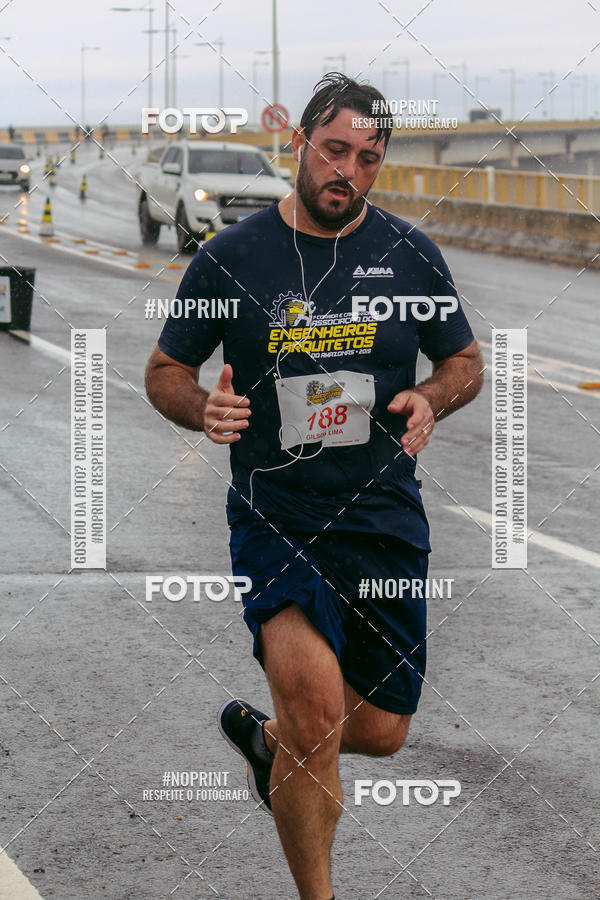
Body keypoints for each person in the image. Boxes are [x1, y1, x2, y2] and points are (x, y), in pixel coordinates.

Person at [145, 72, 484, 900]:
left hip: (382, 516)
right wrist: (202, 406)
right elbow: (164, 371)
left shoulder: (409, 254)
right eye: (334, 151)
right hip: (279, 516)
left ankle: (271, 744)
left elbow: (465, 361)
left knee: (383, 730)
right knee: (317, 720)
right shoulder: (233, 257)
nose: (349, 172)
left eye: (368, 159)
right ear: (299, 144)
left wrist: (431, 396)